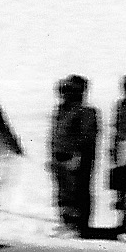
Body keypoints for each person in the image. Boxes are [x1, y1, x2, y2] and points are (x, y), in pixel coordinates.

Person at [48, 75, 99, 237]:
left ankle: (77, 227)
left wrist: (77, 157)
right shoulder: (61, 110)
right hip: (60, 158)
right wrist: (52, 157)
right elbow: (55, 134)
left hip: (75, 159)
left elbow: (87, 137)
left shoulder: (86, 112)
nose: (65, 94)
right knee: (63, 194)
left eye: (69, 90)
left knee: (76, 192)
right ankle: (66, 223)